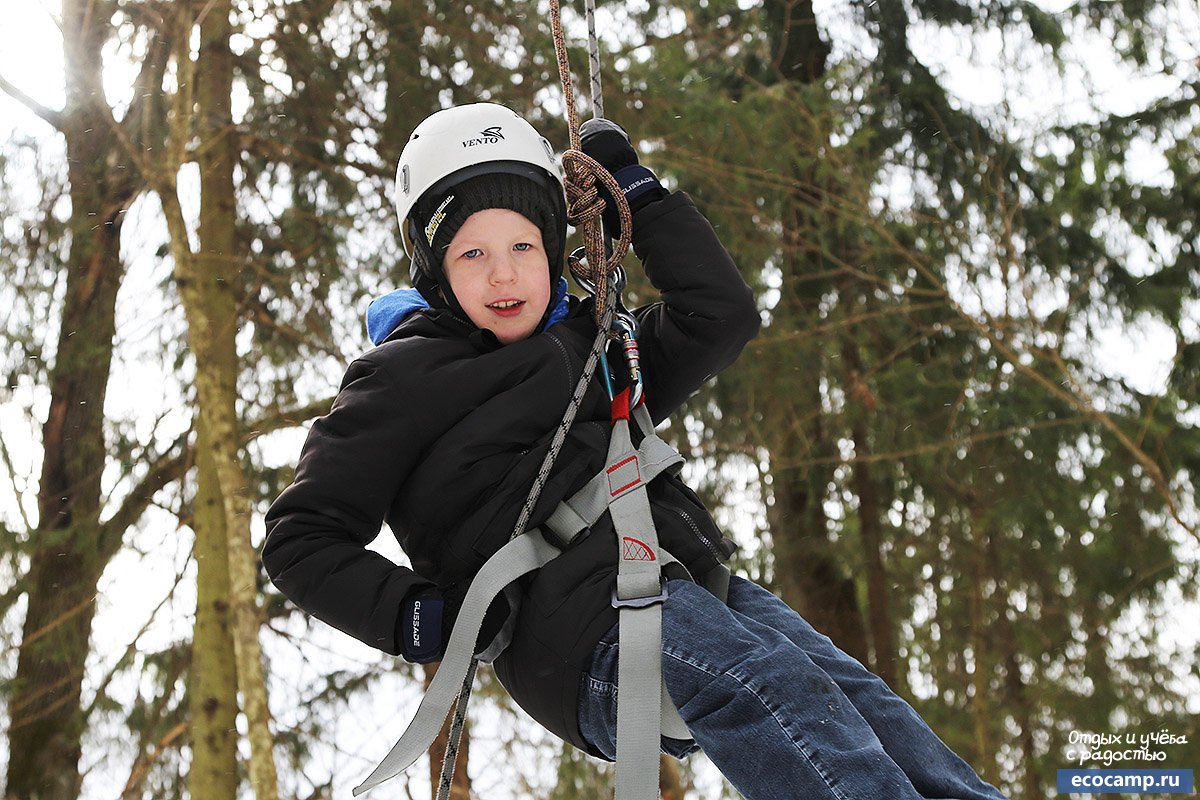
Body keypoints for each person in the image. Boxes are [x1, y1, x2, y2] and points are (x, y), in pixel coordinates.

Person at [262, 103, 1008, 800]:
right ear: (434, 266)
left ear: (553, 248)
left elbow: (718, 316)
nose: (503, 274)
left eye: (524, 245)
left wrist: (640, 197)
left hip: (693, 586)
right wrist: (424, 618)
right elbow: (301, 541)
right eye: (472, 253)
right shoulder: (399, 379)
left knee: (858, 699)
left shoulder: (592, 347)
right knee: (764, 684)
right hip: (576, 629)